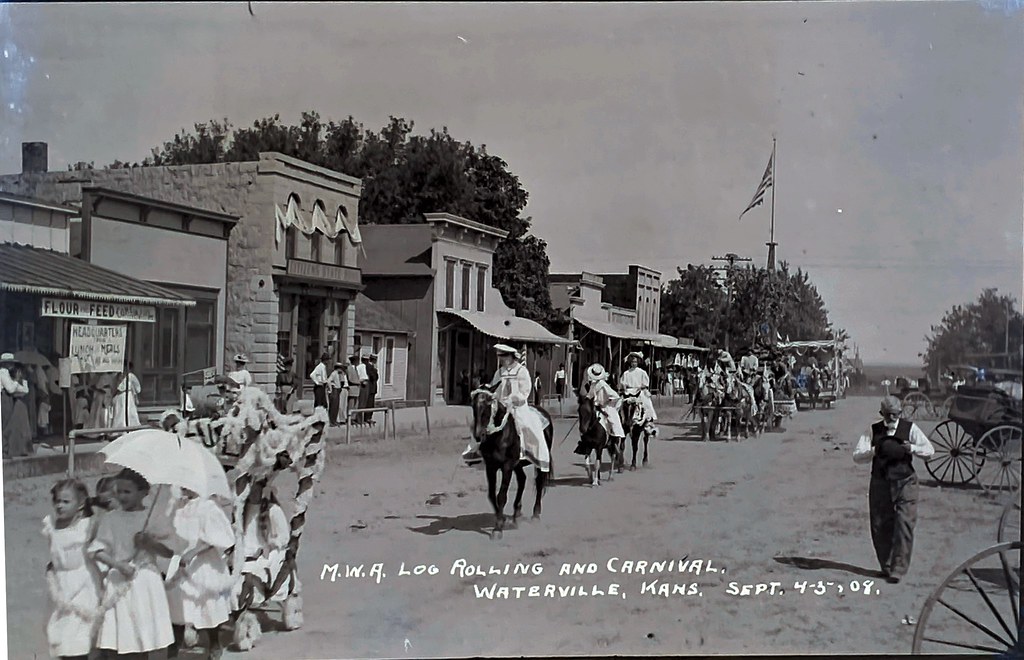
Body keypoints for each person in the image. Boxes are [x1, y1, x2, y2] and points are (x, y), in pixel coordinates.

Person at [89, 468, 175, 656]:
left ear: (143, 493)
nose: (122, 496)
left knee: (143, 634)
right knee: (123, 636)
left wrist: (149, 543)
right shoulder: (111, 519)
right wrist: (117, 565)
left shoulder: (152, 518)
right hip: (120, 579)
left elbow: (169, 551)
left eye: (127, 492)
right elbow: (96, 551)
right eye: (119, 491)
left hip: (145, 582)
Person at [853, 395, 935, 584]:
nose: (892, 419)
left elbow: (930, 452)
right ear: (881, 414)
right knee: (880, 525)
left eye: (895, 415)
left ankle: (899, 569)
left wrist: (912, 448)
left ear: (900, 413)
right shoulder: (873, 430)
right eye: (888, 415)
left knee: (904, 523)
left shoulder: (910, 428)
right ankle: (887, 565)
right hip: (880, 482)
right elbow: (857, 456)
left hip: (906, 481)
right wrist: (874, 451)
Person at [162, 488, 235, 660]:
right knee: (177, 605)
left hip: (201, 562)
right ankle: (173, 650)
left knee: (205, 603)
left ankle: (214, 642)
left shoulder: (208, 507)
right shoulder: (178, 507)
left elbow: (216, 539)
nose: (184, 487)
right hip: (179, 560)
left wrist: (193, 553)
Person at [463, 345, 551, 471]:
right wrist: (487, 391)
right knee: (482, 424)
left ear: (511, 356)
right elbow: (495, 387)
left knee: (526, 425)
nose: (502, 359)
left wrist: (514, 398)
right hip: (501, 406)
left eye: (504, 356)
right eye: (500, 356)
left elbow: (525, 391)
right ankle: (478, 452)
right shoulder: (499, 372)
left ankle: (527, 452)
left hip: (518, 406)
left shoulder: (521, 371)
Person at [43, 478, 101, 660]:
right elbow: (56, 553)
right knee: (61, 633)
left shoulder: (85, 526)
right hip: (62, 583)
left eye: (66, 501)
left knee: (78, 632)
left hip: (82, 583)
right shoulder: (53, 527)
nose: (60, 505)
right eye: (57, 501)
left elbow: (98, 526)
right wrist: (53, 565)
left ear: (80, 504)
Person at [576, 363, 626, 455]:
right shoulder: (593, 384)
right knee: (586, 419)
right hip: (595, 406)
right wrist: (586, 400)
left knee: (613, 420)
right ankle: (585, 442)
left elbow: (615, 396)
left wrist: (607, 402)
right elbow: (590, 395)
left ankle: (614, 438)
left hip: (605, 406)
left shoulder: (603, 385)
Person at [1, 353, 34, 457]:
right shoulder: (3, 372)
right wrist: (15, 381)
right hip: (4, 398)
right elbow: (10, 389)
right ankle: (4, 450)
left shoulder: (9, 373)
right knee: (5, 424)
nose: (11, 365)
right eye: (9, 363)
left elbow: (24, 390)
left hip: (9, 399)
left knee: (9, 424)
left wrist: (21, 381)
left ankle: (7, 449)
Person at [619, 352, 658, 437]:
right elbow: (623, 383)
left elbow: (646, 383)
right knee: (619, 404)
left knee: (646, 404)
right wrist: (624, 388)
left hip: (639, 391)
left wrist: (641, 387)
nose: (634, 364)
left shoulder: (642, 372)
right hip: (628, 392)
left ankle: (648, 423)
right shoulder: (626, 373)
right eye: (632, 362)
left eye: (635, 362)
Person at [112, 362, 142, 428]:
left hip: (128, 395)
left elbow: (137, 387)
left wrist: (135, 394)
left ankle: (131, 425)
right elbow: (115, 385)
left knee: (129, 410)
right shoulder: (118, 375)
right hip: (120, 395)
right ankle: (119, 427)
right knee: (119, 412)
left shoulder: (131, 376)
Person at [327, 362, 346, 426]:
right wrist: (330, 389)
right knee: (333, 406)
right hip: (334, 390)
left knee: (336, 407)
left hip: (338, 390)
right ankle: (331, 421)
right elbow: (328, 381)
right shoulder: (334, 373)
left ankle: (334, 420)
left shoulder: (339, 374)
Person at [346, 356, 362, 426]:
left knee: (356, 405)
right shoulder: (349, 369)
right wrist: (358, 382)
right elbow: (350, 379)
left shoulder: (356, 369)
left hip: (356, 389)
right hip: (352, 388)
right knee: (351, 404)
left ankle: (353, 418)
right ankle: (349, 418)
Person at [365, 354, 380, 426]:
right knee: (369, 403)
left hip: (373, 388)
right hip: (370, 388)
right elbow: (373, 377)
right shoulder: (369, 367)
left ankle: (370, 417)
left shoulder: (372, 367)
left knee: (371, 404)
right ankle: (367, 417)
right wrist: (375, 370)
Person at [357, 354, 370, 425]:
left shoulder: (367, 367)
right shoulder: (360, 367)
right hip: (362, 384)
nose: (367, 361)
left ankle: (362, 419)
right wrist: (362, 381)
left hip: (366, 383)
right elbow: (358, 376)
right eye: (365, 360)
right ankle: (359, 419)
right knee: (361, 402)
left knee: (364, 402)